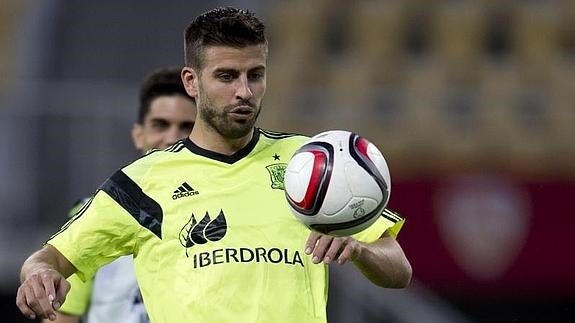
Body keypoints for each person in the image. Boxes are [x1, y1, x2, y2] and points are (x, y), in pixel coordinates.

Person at [17, 7, 411, 323]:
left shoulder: (310, 161)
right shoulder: (141, 183)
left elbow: (399, 269)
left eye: (255, 75)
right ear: (192, 82)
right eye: (226, 76)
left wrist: (360, 249)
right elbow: (47, 258)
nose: (244, 91)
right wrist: (39, 276)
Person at [44, 66, 197, 323]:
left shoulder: (221, 213)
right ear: (139, 135)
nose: (172, 137)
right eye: (161, 125)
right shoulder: (95, 214)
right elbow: (62, 316)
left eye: (186, 127)